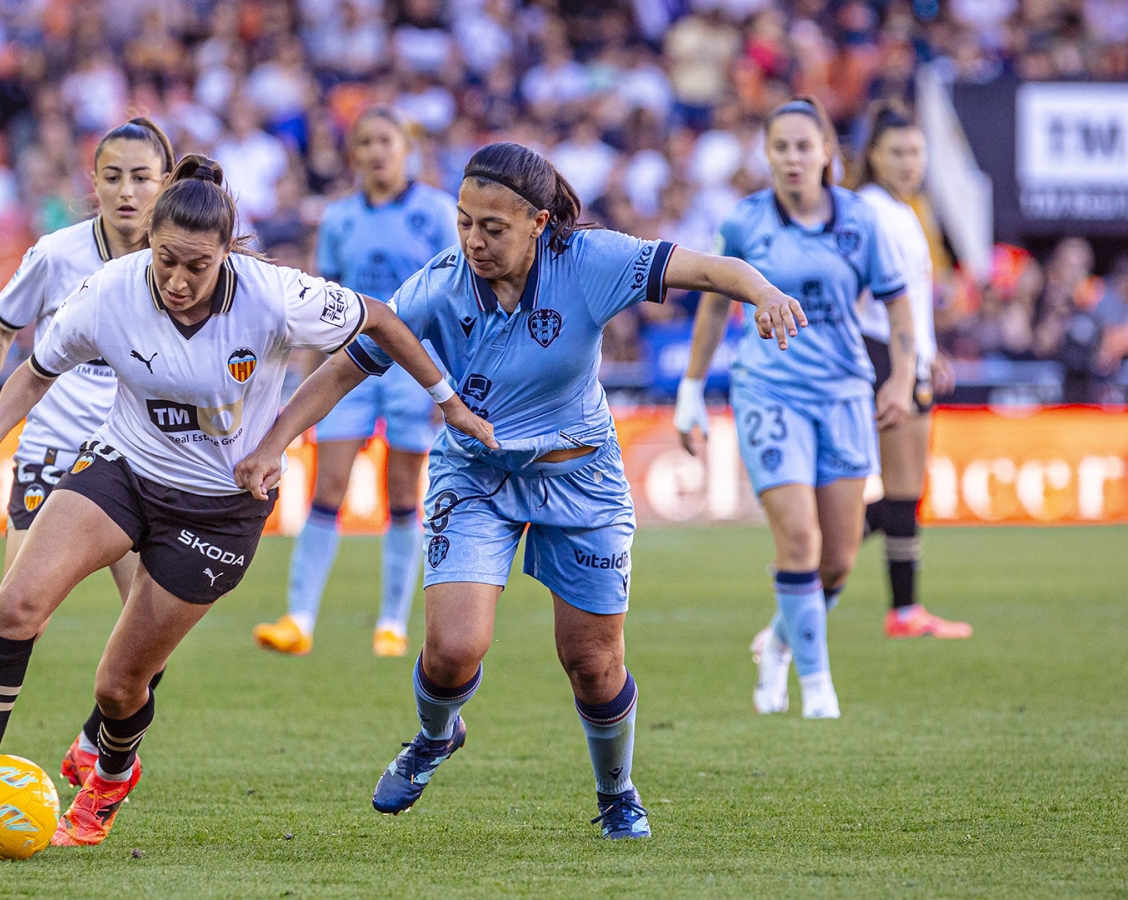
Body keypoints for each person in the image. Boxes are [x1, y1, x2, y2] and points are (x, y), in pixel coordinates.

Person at [0, 155, 493, 853]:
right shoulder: (110, 290)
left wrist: (448, 404)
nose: (179, 281)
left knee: (120, 687)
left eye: (198, 266)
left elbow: (382, 321)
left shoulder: (275, 295)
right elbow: (38, 370)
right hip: (122, 469)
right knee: (14, 609)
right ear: (150, 243)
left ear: (228, 253)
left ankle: (109, 778)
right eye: (166, 262)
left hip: (218, 510)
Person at [235, 142, 806, 840]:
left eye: (493, 227)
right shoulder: (436, 287)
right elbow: (343, 369)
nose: (474, 240)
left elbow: (711, 268)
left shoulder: (593, 261)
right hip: (476, 475)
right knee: (452, 651)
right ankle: (435, 735)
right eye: (464, 221)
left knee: (593, 664)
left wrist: (766, 293)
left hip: (582, 476)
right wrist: (273, 442)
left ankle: (617, 791)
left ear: (538, 222)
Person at [0, 117, 177, 804]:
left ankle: (91, 742)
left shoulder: (181, 265)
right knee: (21, 611)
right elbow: (0, 328)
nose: (126, 191)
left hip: (138, 461)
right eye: (112, 176)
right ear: (92, 183)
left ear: (166, 184)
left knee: (154, 627)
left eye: (142, 177)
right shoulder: (58, 254)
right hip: (54, 450)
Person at [674, 97, 915, 720]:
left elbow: (898, 303)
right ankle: (818, 689)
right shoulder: (745, 223)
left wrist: (903, 377)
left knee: (838, 558)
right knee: (800, 541)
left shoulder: (862, 221)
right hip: (769, 391)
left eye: (804, 146)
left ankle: (779, 642)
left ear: (828, 152)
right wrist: (691, 390)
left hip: (843, 393)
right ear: (767, 154)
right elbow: (709, 305)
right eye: (780, 147)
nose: (792, 158)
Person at [253, 107, 456, 658]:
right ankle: (299, 618)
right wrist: (308, 375)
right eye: (365, 142)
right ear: (356, 154)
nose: (376, 151)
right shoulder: (340, 219)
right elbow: (324, 304)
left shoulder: (438, 212)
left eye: (385, 140)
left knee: (401, 492)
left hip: (419, 367)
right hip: (353, 366)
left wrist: (450, 382)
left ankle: (392, 621)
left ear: (406, 147)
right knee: (329, 487)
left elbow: (457, 297)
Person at [850, 102, 971, 640]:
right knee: (901, 488)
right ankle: (819, 564)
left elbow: (912, 300)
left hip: (907, 355)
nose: (909, 162)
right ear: (874, 156)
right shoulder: (870, 210)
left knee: (904, 492)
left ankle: (822, 558)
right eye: (897, 152)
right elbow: (862, 294)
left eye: (916, 152)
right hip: (884, 355)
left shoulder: (905, 210)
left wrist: (929, 349)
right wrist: (908, 357)